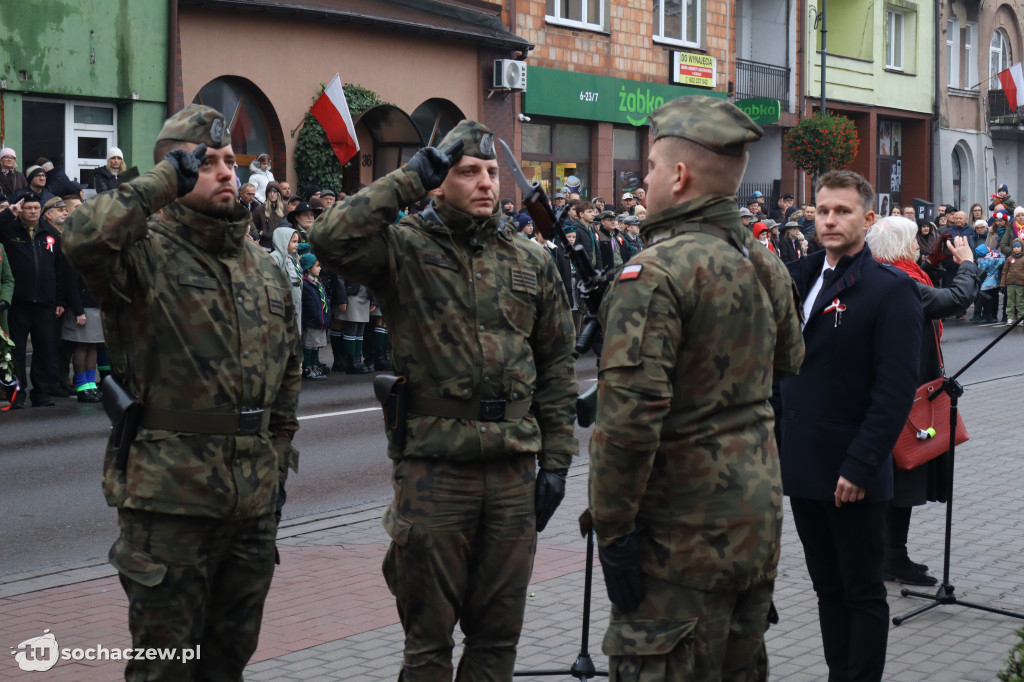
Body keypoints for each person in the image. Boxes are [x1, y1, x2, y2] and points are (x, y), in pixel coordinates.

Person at [308, 119, 577, 679]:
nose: (485, 183)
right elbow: (330, 238)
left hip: (510, 470)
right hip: (435, 471)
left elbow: (555, 368)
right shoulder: (404, 248)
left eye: (491, 171)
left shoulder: (530, 259)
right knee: (428, 643)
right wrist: (406, 178)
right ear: (438, 182)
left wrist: (556, 463)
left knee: (497, 640)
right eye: (467, 172)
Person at [62, 103, 301, 680]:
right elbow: (81, 236)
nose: (225, 172)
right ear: (173, 172)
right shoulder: (141, 252)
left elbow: (287, 376)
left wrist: (275, 469)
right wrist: (167, 180)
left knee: (227, 663)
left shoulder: (261, 265)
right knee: (165, 668)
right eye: (206, 163)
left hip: (251, 505)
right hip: (170, 504)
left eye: (229, 161)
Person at [587, 96, 804, 680]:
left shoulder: (654, 273)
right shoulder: (763, 261)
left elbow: (628, 423)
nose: (644, 183)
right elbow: (789, 362)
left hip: (677, 540)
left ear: (678, 177)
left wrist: (612, 530)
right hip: (753, 524)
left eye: (650, 171)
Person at [780, 170, 923, 682]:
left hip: (851, 471)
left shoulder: (890, 290)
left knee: (861, 591)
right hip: (802, 464)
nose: (830, 220)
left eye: (842, 211)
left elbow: (893, 391)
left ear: (868, 218)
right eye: (822, 210)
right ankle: (838, 671)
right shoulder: (795, 274)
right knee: (826, 588)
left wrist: (862, 465)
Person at [865, 219, 980, 585]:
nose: (919, 244)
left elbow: (923, 281)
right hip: (905, 396)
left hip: (890, 393)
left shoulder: (880, 273)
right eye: (915, 240)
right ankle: (889, 557)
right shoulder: (900, 284)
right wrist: (967, 265)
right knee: (903, 477)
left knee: (901, 479)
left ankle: (891, 554)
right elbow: (953, 300)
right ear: (901, 246)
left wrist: (932, 262)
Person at [0, 192, 65, 408]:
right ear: (21, 209)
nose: (33, 211)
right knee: (17, 351)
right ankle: (17, 396)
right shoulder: (8, 230)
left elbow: (60, 270)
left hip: (46, 303)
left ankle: (41, 394)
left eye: (37, 208)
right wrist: (9, 214)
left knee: (45, 349)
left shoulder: (51, 234)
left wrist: (59, 300)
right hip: (18, 302)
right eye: (28, 208)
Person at [299, 252, 329, 381]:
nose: (320, 268)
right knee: (309, 344)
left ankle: (314, 365)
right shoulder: (305, 284)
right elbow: (309, 305)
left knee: (316, 344)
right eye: (317, 266)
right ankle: (307, 368)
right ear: (308, 268)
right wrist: (316, 317)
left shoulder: (318, 282)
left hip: (320, 320)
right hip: (312, 321)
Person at [271, 226, 303, 331]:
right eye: (293, 241)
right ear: (283, 241)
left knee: (296, 322)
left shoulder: (292, 257)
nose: (297, 244)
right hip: (285, 295)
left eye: (297, 241)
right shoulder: (276, 257)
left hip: (295, 293)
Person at [1002, 239, 1024, 325]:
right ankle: (1010, 318)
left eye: (1018, 247)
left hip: (1021, 284)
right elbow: (1004, 271)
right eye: (1014, 247)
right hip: (1010, 284)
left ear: (1022, 248)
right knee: (1010, 302)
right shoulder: (1009, 259)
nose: (1016, 249)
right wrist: (1003, 284)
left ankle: (1020, 318)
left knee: (1020, 303)